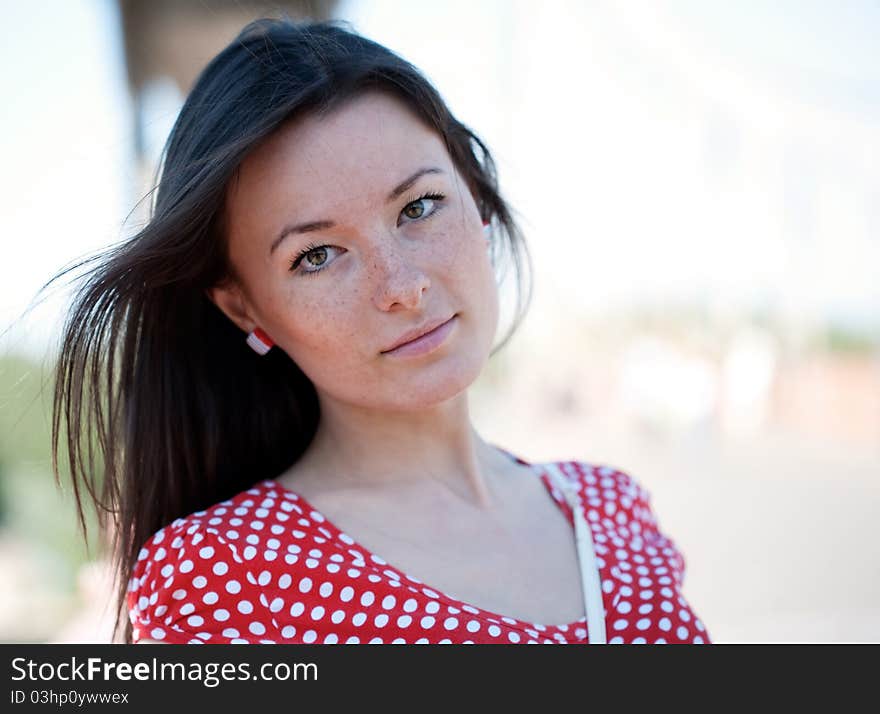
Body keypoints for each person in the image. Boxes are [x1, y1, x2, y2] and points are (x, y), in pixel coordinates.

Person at [49, 17, 710, 645]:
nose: (402, 287)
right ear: (245, 309)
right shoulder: (229, 574)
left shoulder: (611, 513)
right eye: (316, 256)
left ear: (475, 196)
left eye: (418, 207)